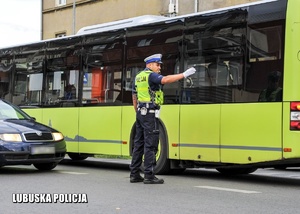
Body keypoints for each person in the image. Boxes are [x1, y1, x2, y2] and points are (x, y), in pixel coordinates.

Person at [129, 53, 196, 184]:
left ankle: (134, 174)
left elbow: (134, 96)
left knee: (139, 144)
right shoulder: (151, 75)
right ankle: (149, 175)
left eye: (159, 65)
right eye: (157, 64)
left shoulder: (138, 77)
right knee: (151, 144)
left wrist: (138, 110)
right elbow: (165, 80)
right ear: (149, 65)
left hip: (140, 113)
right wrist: (183, 75)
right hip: (150, 114)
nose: (159, 67)